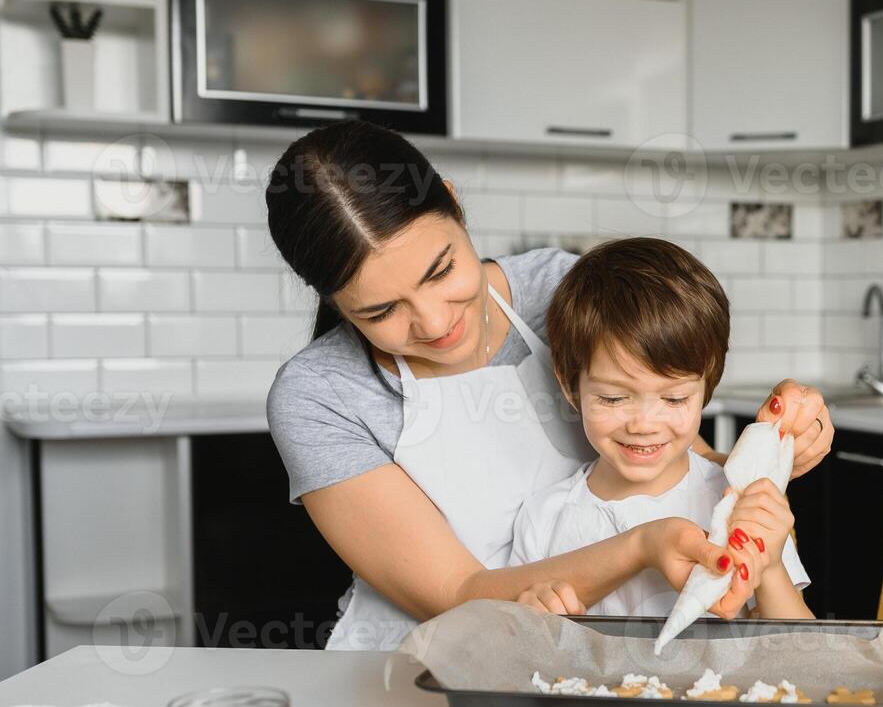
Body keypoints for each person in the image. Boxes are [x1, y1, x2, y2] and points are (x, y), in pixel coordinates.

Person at [264, 121, 834, 651]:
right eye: (382, 310)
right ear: (335, 302)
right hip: (408, 665)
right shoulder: (319, 396)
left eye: (441, 272)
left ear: (455, 203)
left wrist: (774, 446)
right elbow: (457, 593)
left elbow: (684, 465)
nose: (436, 324)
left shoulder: (563, 291)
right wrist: (641, 547)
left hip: (577, 658)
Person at [510, 238, 814, 620]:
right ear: (571, 387)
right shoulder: (544, 519)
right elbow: (520, 647)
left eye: (673, 400)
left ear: (707, 388)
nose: (642, 424)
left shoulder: (736, 502)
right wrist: (533, 619)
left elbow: (800, 645)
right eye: (613, 398)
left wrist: (768, 568)